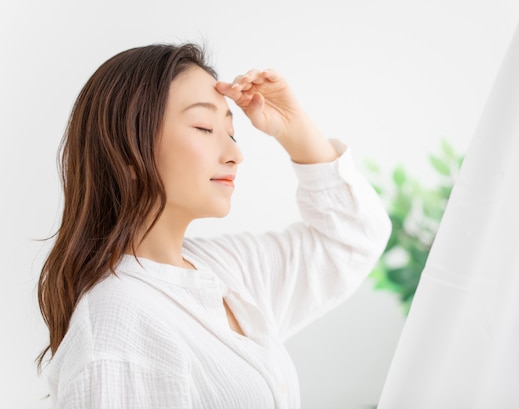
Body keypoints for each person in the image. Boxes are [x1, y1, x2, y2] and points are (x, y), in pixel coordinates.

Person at [36, 43, 391, 408]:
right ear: (128, 149)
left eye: (232, 132)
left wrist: (293, 127)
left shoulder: (225, 268)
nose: (235, 153)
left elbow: (353, 238)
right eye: (205, 128)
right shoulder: (117, 329)